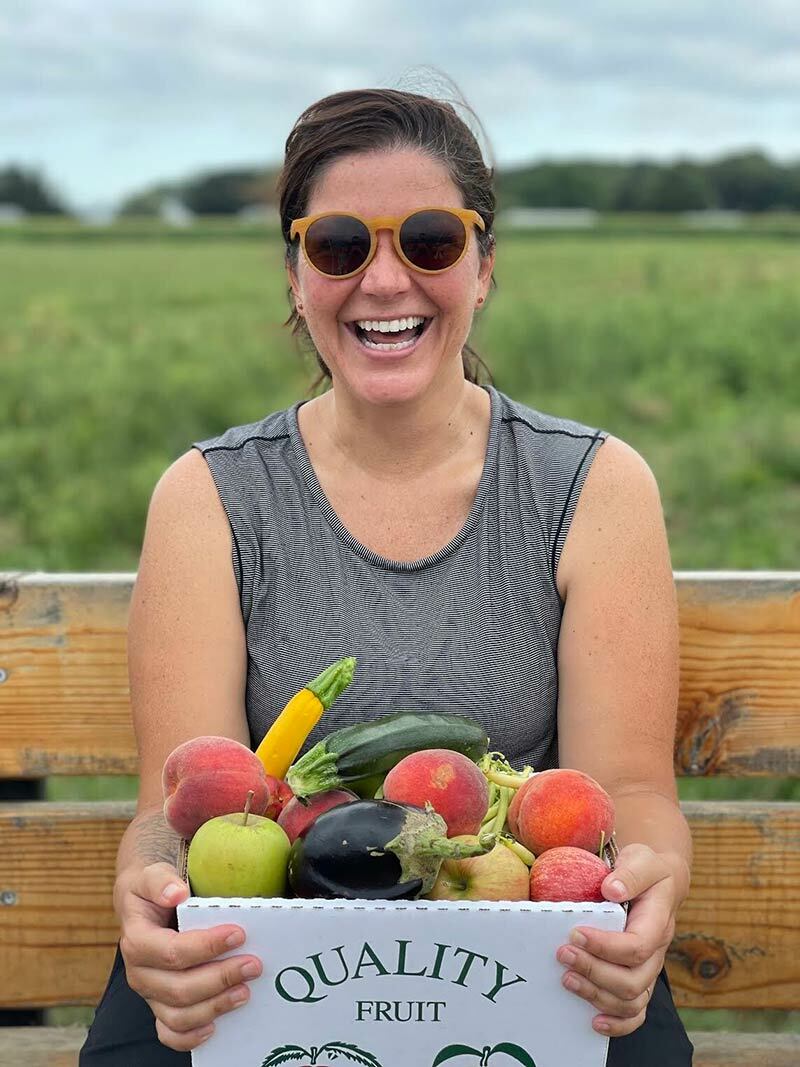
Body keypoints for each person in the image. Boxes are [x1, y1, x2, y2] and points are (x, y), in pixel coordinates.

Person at [80, 84, 694, 1066]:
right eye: (337, 245)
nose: (383, 280)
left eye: (428, 240)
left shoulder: (592, 487)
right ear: (294, 274)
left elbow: (626, 786)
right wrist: (148, 896)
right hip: (265, 944)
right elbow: (175, 805)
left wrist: (651, 881)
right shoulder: (207, 496)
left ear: (483, 266)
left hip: (524, 944)